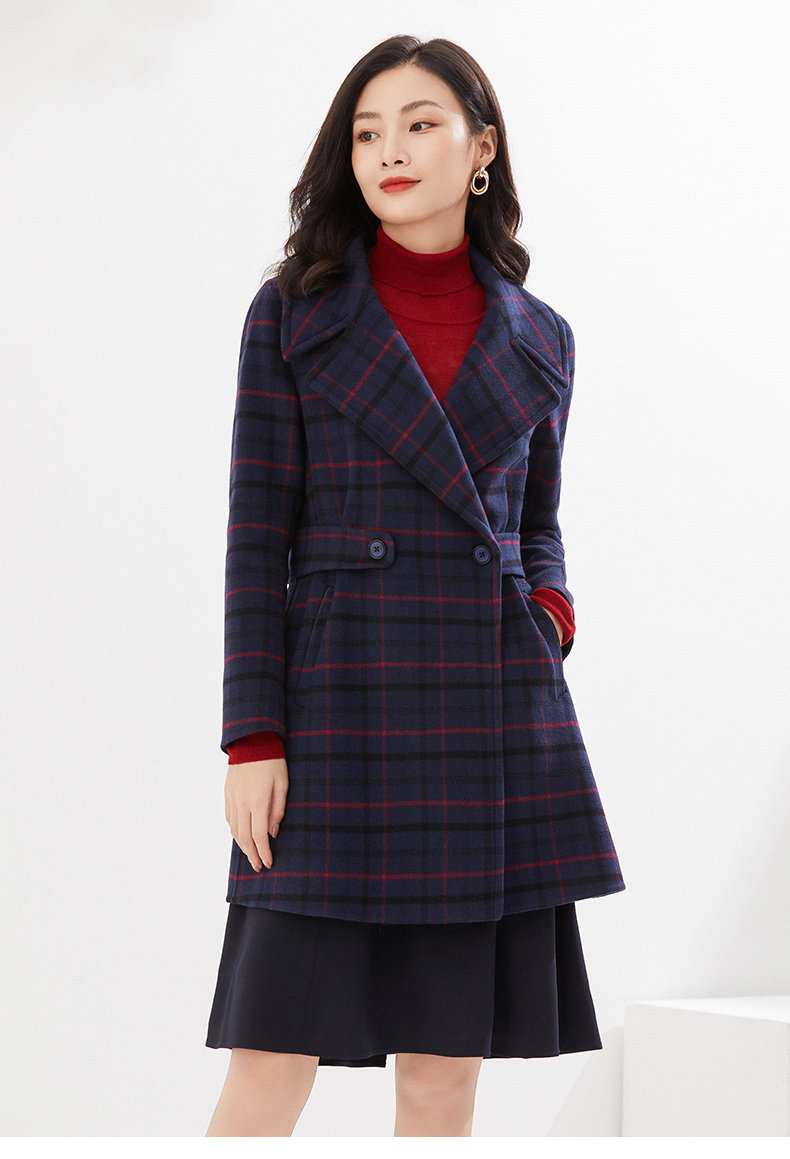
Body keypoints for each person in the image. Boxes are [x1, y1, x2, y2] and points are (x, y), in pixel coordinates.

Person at [204, 34, 626, 1137]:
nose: (389, 150)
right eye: (366, 132)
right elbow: (256, 536)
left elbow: (537, 524)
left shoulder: (541, 337)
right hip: (335, 717)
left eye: (420, 124)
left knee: (442, 1077)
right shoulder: (294, 314)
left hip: (486, 719)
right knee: (268, 1061)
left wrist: (547, 614)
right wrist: (252, 736)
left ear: (481, 149)